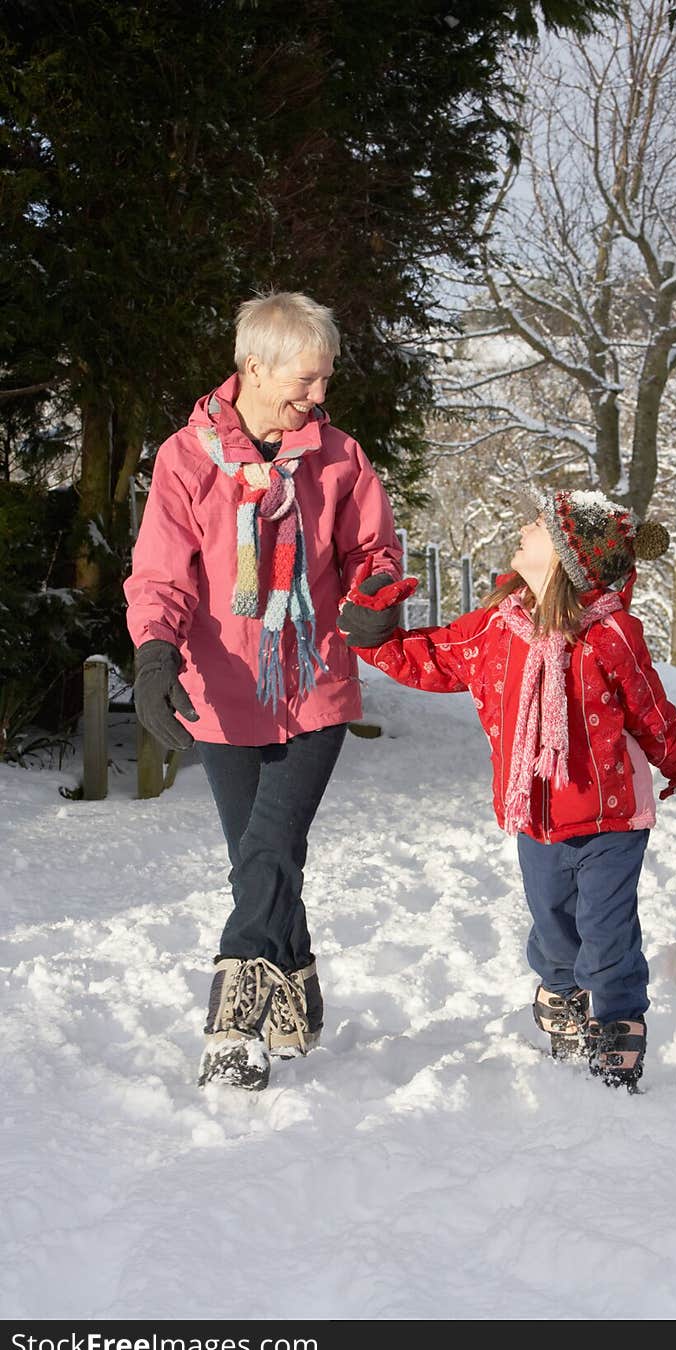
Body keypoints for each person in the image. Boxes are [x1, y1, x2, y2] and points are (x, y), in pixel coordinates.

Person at [339, 489, 676, 1091]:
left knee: (607, 928)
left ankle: (617, 1019)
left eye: (538, 524)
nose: (523, 526)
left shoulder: (612, 633)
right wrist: (375, 633)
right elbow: (434, 656)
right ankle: (561, 991)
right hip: (534, 814)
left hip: (611, 815)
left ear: (566, 556)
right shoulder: (496, 628)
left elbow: (650, 710)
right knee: (554, 924)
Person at [125, 292, 403, 1090]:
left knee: (270, 848)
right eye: (306, 380)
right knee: (258, 858)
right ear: (255, 367)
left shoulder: (338, 458)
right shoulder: (186, 459)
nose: (319, 397)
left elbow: (374, 552)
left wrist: (373, 601)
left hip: (312, 685)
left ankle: (234, 1016)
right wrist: (154, 656)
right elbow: (161, 572)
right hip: (224, 690)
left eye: (324, 381)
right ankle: (297, 982)